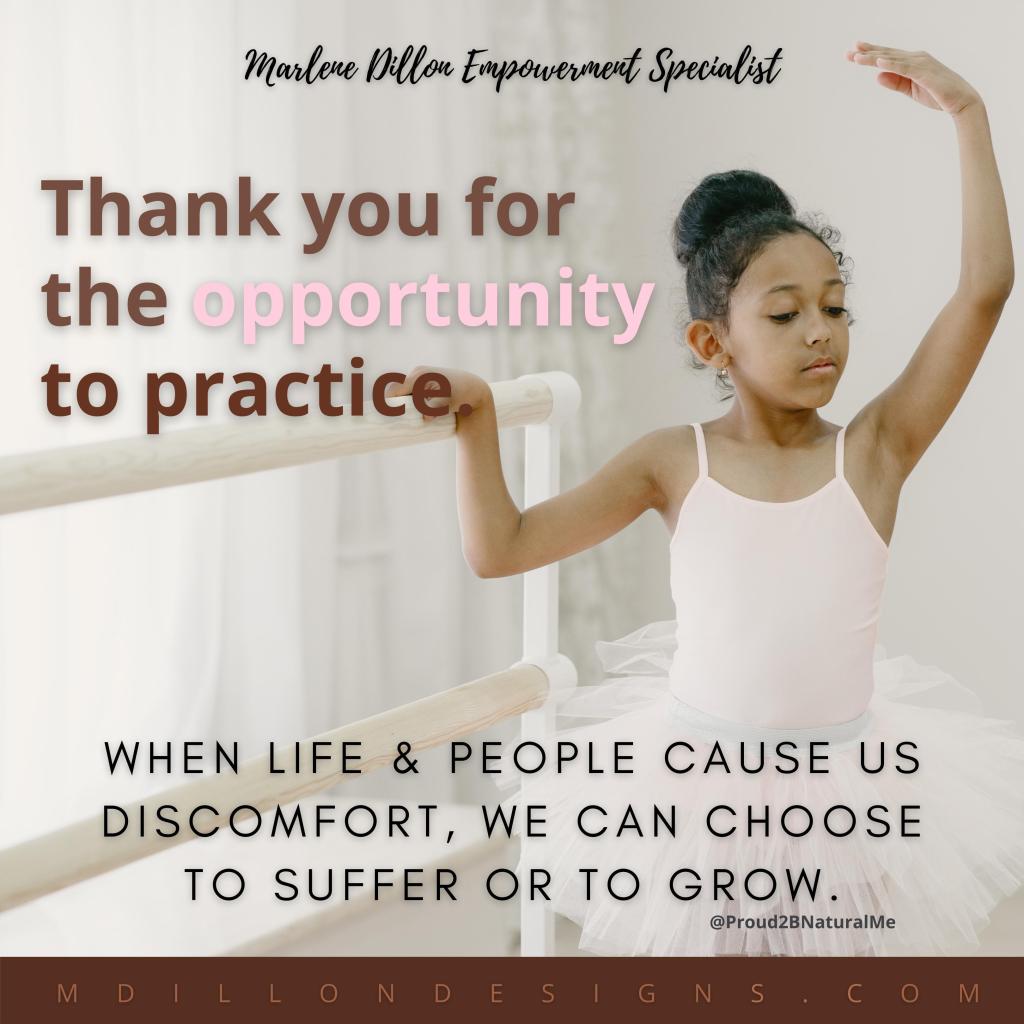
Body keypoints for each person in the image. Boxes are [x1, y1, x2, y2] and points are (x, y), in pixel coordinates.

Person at [386, 42, 1024, 956]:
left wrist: (970, 116)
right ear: (712, 339)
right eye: (785, 312)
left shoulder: (876, 451)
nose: (821, 333)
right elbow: (504, 547)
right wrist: (477, 418)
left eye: (836, 307)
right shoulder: (670, 463)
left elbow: (985, 291)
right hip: (695, 786)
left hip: (844, 788)